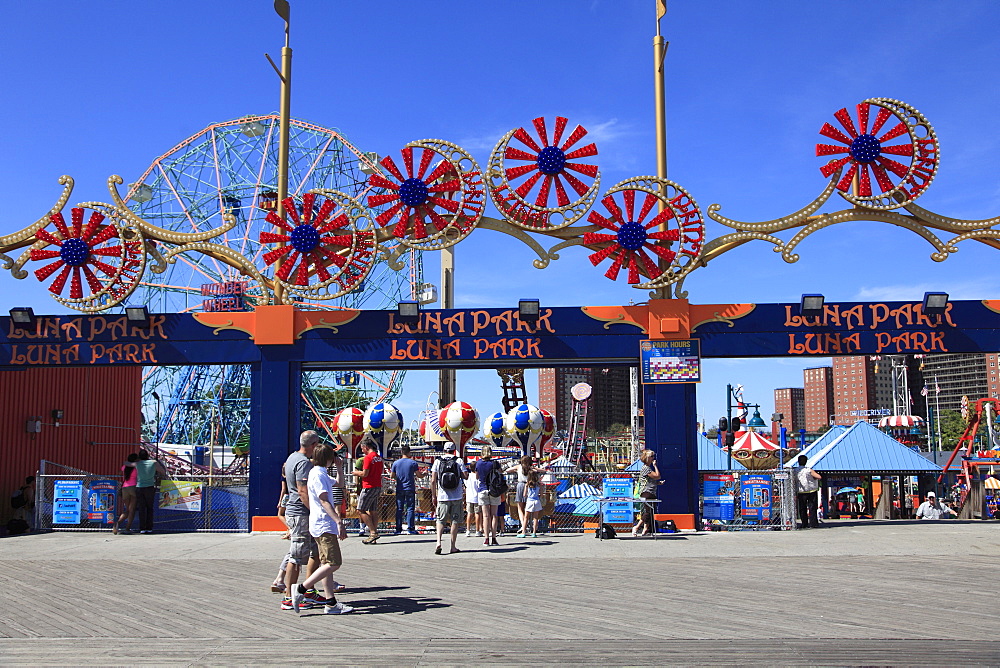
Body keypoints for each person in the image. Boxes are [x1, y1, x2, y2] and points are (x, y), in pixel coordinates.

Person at [289, 443, 354, 614]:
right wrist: (338, 521)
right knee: (334, 562)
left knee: (326, 563)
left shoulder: (319, 473)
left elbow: (339, 484)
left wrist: (339, 468)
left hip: (321, 524)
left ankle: (330, 603)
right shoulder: (318, 475)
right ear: (328, 458)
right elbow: (324, 499)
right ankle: (303, 588)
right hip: (324, 524)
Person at [279, 431, 320, 610]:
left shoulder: (292, 458)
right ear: (312, 445)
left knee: (315, 551)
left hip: (298, 512)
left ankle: (307, 589)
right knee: (296, 556)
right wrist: (316, 510)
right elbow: (302, 491)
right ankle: (289, 596)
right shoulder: (303, 462)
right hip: (301, 513)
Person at [430, 442, 467, 554]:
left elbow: (432, 480)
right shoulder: (458, 460)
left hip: (442, 496)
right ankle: (453, 546)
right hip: (456, 495)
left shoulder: (437, 461)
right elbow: (465, 476)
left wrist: (433, 495)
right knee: (455, 521)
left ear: (444, 450)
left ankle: (438, 542)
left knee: (440, 520)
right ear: (454, 450)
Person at [351, 437, 384, 544]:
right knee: (373, 510)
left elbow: (365, 473)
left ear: (366, 447)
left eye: (362, 448)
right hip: (377, 485)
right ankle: (374, 533)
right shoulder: (378, 458)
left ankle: (373, 532)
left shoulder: (368, 458)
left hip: (368, 487)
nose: (362, 451)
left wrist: (356, 473)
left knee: (360, 509)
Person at [134, 449, 166, 534]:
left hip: (139, 486)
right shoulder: (153, 462)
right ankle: (149, 527)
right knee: (149, 508)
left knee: (141, 508)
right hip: (150, 486)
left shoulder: (136, 464)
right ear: (148, 455)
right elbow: (163, 471)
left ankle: (142, 528)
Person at [475, 445, 502, 546]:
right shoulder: (495, 463)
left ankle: (486, 538)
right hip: (494, 490)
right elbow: (500, 474)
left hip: (482, 490)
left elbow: (477, 476)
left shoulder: (479, 463)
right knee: (494, 515)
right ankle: (494, 538)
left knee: (485, 516)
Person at [391, 445, 420, 535]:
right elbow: (419, 475)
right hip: (410, 487)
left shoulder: (396, 463)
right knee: (410, 508)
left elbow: (392, 475)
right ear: (409, 452)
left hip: (400, 487)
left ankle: (398, 528)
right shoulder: (413, 463)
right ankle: (410, 528)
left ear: (401, 452)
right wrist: (424, 474)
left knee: (399, 509)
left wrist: (398, 477)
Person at [632, 449, 661, 536]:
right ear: (647, 458)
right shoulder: (646, 468)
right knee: (647, 512)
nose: (653, 458)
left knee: (650, 511)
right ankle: (637, 527)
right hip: (646, 492)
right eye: (651, 456)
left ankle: (645, 529)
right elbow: (657, 476)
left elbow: (650, 481)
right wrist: (655, 466)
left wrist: (658, 483)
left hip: (651, 492)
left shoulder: (648, 468)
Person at [505, 455, 533, 537]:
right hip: (529, 486)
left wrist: (514, 470)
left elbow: (507, 470)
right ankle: (526, 524)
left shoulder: (518, 467)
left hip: (520, 485)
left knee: (520, 508)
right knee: (527, 507)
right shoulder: (531, 468)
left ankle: (523, 524)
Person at [793, 454, 822, 529]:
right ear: (806, 461)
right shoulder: (809, 470)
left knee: (802, 508)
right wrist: (813, 479)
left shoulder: (795, 471)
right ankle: (813, 523)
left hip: (801, 491)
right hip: (811, 490)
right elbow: (819, 477)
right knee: (812, 507)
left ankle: (804, 523)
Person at [114, 454, 139, 535]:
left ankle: (117, 523)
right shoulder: (136, 467)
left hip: (125, 487)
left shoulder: (124, 467)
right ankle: (127, 528)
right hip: (133, 487)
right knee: (132, 510)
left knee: (127, 510)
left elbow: (119, 472)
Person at [523, 467, 543, 537]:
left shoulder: (527, 484)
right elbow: (541, 494)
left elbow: (524, 494)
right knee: (535, 517)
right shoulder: (538, 484)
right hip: (536, 500)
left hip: (530, 500)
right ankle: (534, 532)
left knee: (526, 517)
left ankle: (523, 532)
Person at [464, 464, 481, 537]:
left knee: (469, 514)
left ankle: (468, 530)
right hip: (477, 497)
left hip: (469, 497)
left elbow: (466, 485)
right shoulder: (477, 477)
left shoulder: (467, 476)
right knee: (477, 513)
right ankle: (477, 530)